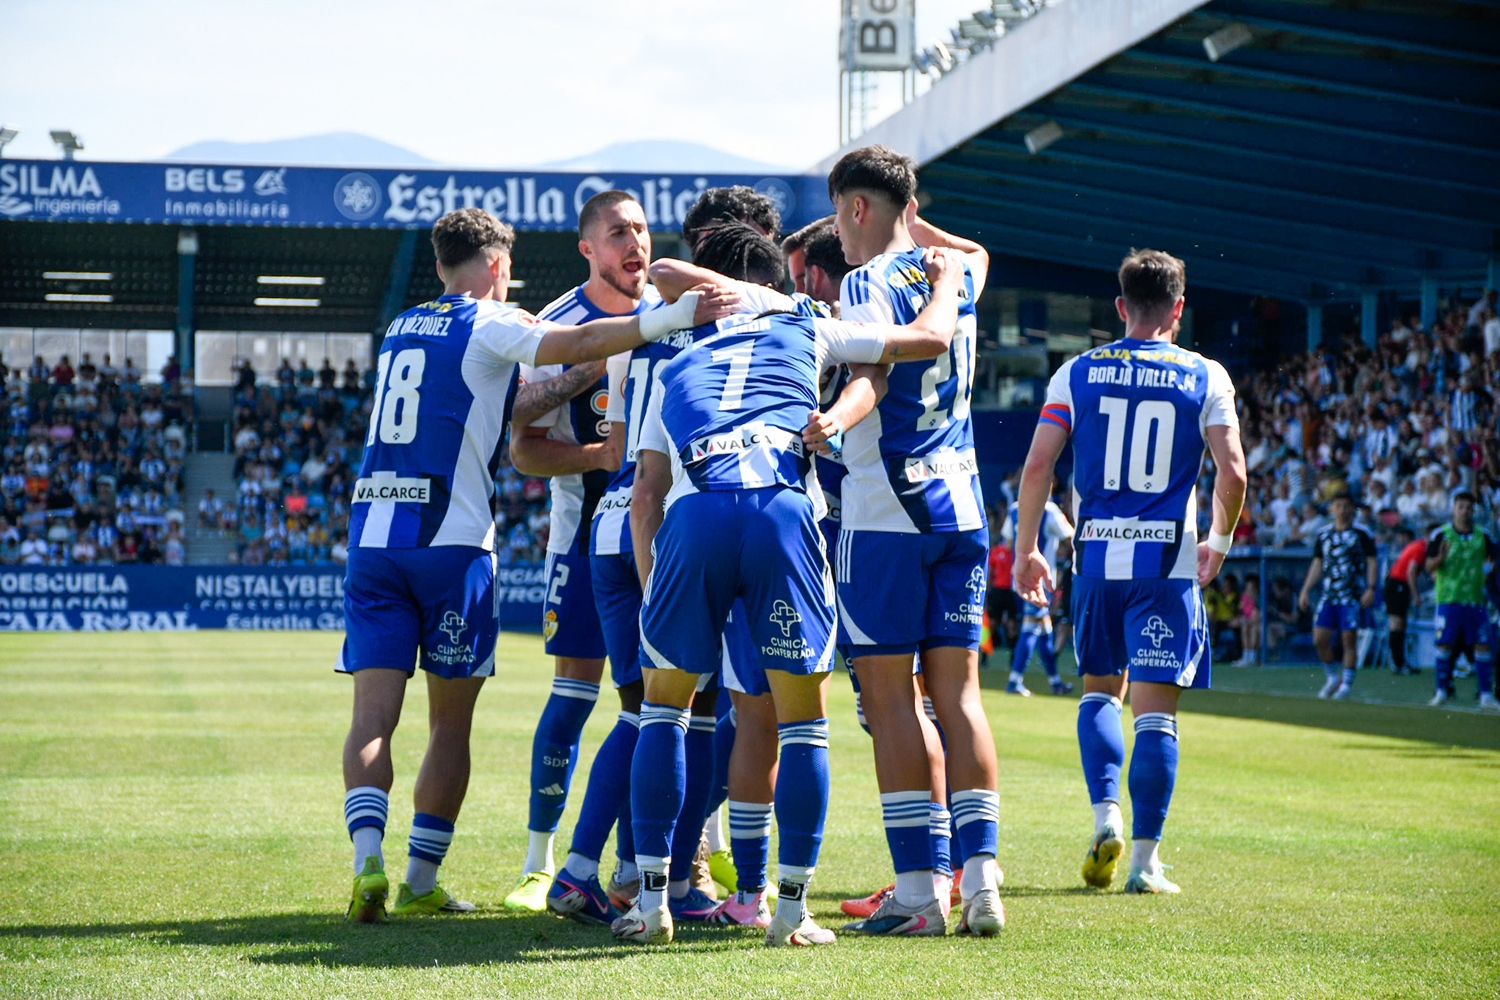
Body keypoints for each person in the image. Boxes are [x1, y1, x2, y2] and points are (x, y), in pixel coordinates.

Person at [336, 206, 734, 924]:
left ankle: (368, 859)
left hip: (370, 536)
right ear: (496, 266)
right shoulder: (492, 322)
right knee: (451, 725)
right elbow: (571, 343)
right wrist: (657, 323)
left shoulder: (400, 326)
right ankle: (423, 876)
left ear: (438, 265)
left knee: (371, 719)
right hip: (451, 542)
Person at [614, 226, 971, 947]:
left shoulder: (678, 351)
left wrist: (656, 588)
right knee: (802, 722)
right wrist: (947, 281)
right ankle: (790, 912)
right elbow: (930, 341)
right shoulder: (813, 323)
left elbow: (646, 492)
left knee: (665, 715)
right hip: (780, 510)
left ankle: (649, 902)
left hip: (694, 514)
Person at [1014, 248, 1246, 896]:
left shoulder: (1077, 373)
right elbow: (1234, 472)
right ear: (1179, 307)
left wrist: (1028, 547)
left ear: (1120, 308)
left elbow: (1038, 468)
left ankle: (1104, 815)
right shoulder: (1206, 375)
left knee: (1097, 693)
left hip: (1096, 563)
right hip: (1167, 566)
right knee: (1155, 716)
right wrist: (1219, 545)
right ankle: (1144, 863)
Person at [826, 145, 1003, 938]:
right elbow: (977, 250)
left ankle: (919, 891)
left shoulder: (865, 284)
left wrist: (830, 420)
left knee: (894, 700)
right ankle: (983, 881)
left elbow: (874, 376)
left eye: (839, 213)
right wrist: (913, 218)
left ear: (857, 209)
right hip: (961, 505)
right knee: (960, 697)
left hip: (884, 510)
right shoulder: (954, 273)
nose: (837, 231)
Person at [503, 190, 658, 914]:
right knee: (575, 696)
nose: (635, 243)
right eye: (617, 233)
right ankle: (539, 862)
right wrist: (600, 454)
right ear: (588, 249)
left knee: (675, 694)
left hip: (664, 537)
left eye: (641, 230)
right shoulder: (558, 324)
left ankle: (692, 850)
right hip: (584, 542)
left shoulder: (668, 305)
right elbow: (522, 445)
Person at [1298, 493, 1377, 700]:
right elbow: (1317, 563)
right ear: (1332, 509)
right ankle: (1333, 676)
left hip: (1351, 595)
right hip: (1329, 594)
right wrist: (1306, 589)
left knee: (1348, 639)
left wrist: (1371, 587)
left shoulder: (1362, 533)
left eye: (1346, 506)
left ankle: (1346, 685)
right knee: (1319, 638)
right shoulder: (1323, 535)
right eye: (1338, 505)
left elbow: (1372, 561)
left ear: (1352, 510)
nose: (1342, 509)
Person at [1424, 492, 1498, 709]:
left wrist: (1487, 571)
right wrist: (1440, 558)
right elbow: (1428, 566)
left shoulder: (1482, 535)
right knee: (1445, 643)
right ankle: (1441, 691)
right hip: (1449, 599)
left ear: (1473, 510)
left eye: (1469, 507)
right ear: (1453, 509)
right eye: (1461, 507)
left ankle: (1486, 695)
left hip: (1475, 599)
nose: (1465, 511)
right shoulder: (1441, 534)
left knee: (1483, 645)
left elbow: (1492, 560)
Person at [1002, 492, 1073, 696]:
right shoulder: (1049, 509)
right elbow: (1070, 536)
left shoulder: (1015, 508)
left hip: (1018, 579)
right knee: (1031, 626)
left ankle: (1055, 682)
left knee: (1044, 631)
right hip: (1040, 580)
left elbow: (1008, 543)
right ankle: (1014, 681)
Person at [1383, 527, 1425, 675]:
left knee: (1400, 623)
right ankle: (1397, 661)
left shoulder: (1416, 546)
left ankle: (1400, 661)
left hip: (1397, 584)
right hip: (1397, 584)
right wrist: (1416, 595)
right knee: (1396, 623)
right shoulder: (1421, 548)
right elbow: (1410, 571)